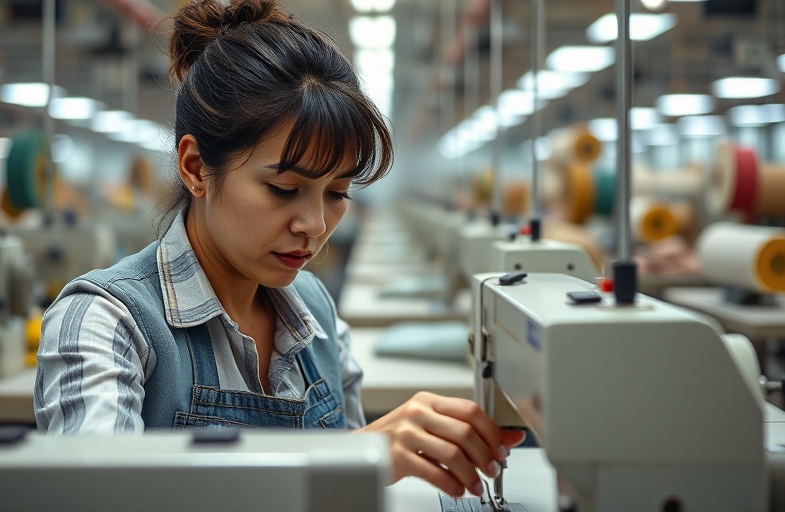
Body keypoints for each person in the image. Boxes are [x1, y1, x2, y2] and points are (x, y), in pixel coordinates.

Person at [34, 0, 524, 498]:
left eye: (337, 194)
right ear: (196, 167)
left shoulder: (317, 315)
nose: (314, 225)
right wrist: (349, 457)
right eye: (284, 189)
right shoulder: (105, 324)